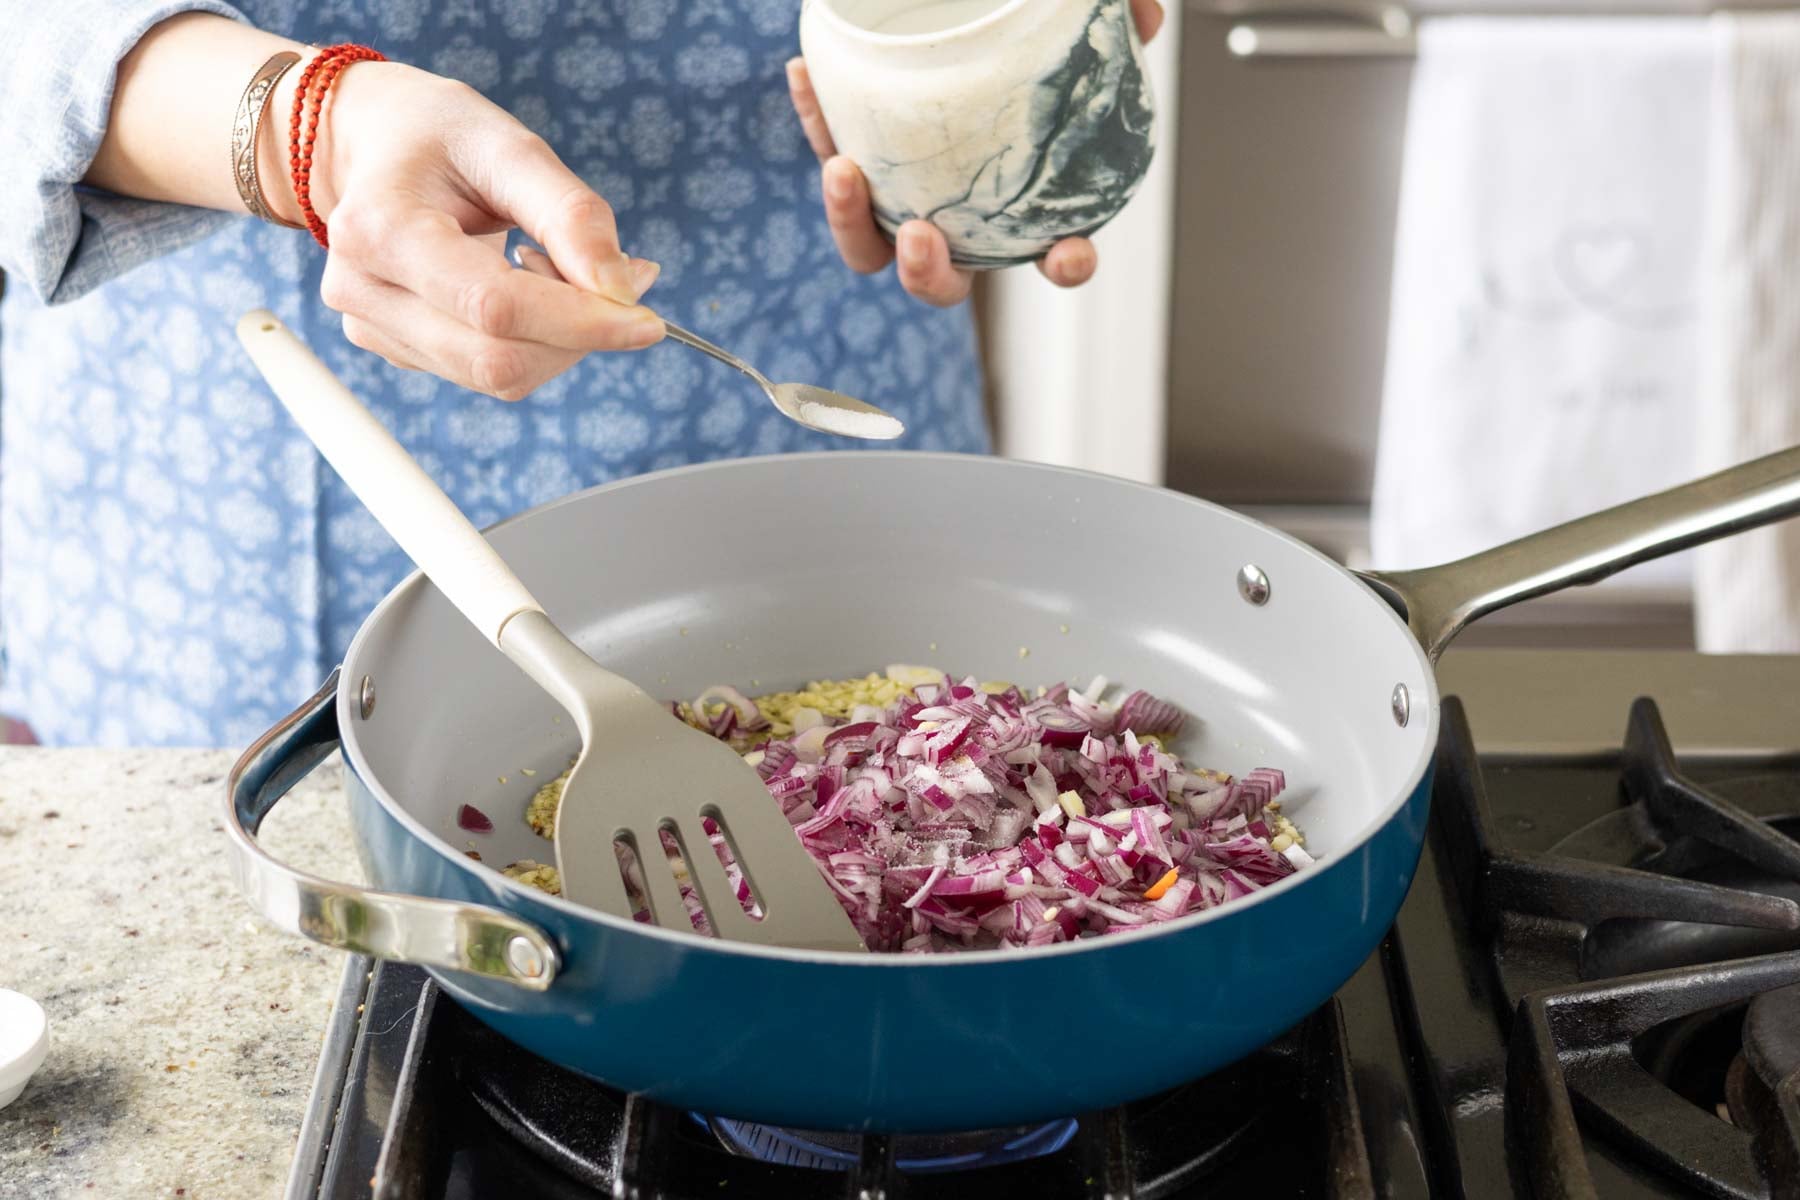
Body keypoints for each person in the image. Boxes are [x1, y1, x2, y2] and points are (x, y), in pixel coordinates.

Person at [0, 0, 1164, 747]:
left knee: (870, 796)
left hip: (800, 354)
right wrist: (317, 133)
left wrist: (975, 90)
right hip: (235, 456)